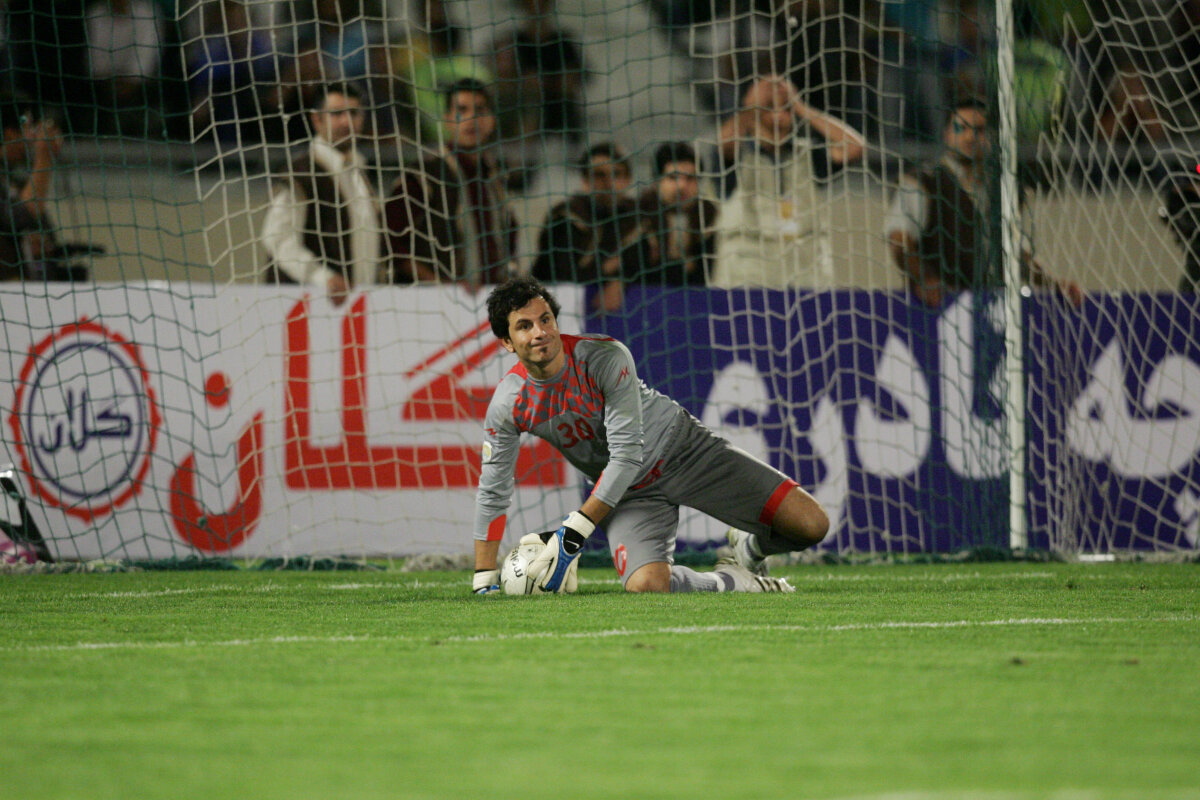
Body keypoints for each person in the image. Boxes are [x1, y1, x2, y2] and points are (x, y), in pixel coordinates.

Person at [471, 276, 830, 595]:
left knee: (811, 526)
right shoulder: (509, 403)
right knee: (646, 585)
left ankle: (750, 549)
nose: (540, 332)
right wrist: (484, 578)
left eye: (545, 319)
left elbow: (627, 453)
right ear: (507, 342)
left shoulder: (604, 357)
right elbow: (493, 489)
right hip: (627, 494)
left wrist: (574, 531)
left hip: (684, 451)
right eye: (524, 326)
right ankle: (738, 582)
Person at [884, 100, 1084, 308]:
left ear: (990, 137)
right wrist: (924, 277)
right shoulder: (922, 182)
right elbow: (899, 239)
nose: (970, 137)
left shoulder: (1002, 189)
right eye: (960, 128)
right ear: (946, 134)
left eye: (978, 130)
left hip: (994, 304)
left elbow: (1019, 255)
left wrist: (1052, 284)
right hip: (940, 304)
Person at [708, 74, 865, 289]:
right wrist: (751, 106)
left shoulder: (807, 153)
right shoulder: (738, 152)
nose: (778, 113)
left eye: (785, 107)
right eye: (769, 106)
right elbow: (723, 143)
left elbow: (854, 147)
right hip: (747, 270)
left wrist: (800, 107)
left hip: (805, 270)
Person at [384, 78, 519, 285]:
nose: (472, 118)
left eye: (480, 110)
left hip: (489, 296)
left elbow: (509, 243)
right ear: (447, 119)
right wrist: (442, 286)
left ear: (491, 120)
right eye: (462, 110)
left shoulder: (496, 178)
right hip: (433, 298)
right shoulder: (424, 175)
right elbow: (391, 243)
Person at [260, 82, 382, 306]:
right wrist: (322, 277)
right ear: (317, 120)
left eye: (354, 113)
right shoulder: (300, 174)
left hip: (356, 303)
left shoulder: (361, 172)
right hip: (309, 303)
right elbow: (277, 238)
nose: (347, 122)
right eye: (337, 114)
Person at [530, 142, 636, 313]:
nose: (609, 182)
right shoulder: (566, 217)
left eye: (616, 174)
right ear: (585, 180)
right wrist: (605, 269)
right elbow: (562, 273)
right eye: (599, 175)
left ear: (628, 179)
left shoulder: (636, 218)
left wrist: (620, 279)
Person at [620, 141, 717, 289]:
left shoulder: (709, 215)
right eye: (673, 177)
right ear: (657, 181)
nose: (682, 186)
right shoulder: (637, 215)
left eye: (690, 178)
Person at [0, 94, 72, 281]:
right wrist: (44, 157)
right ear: (9, 133)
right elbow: (21, 216)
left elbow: (45, 231)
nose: (34, 136)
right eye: (28, 126)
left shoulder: (16, 181)